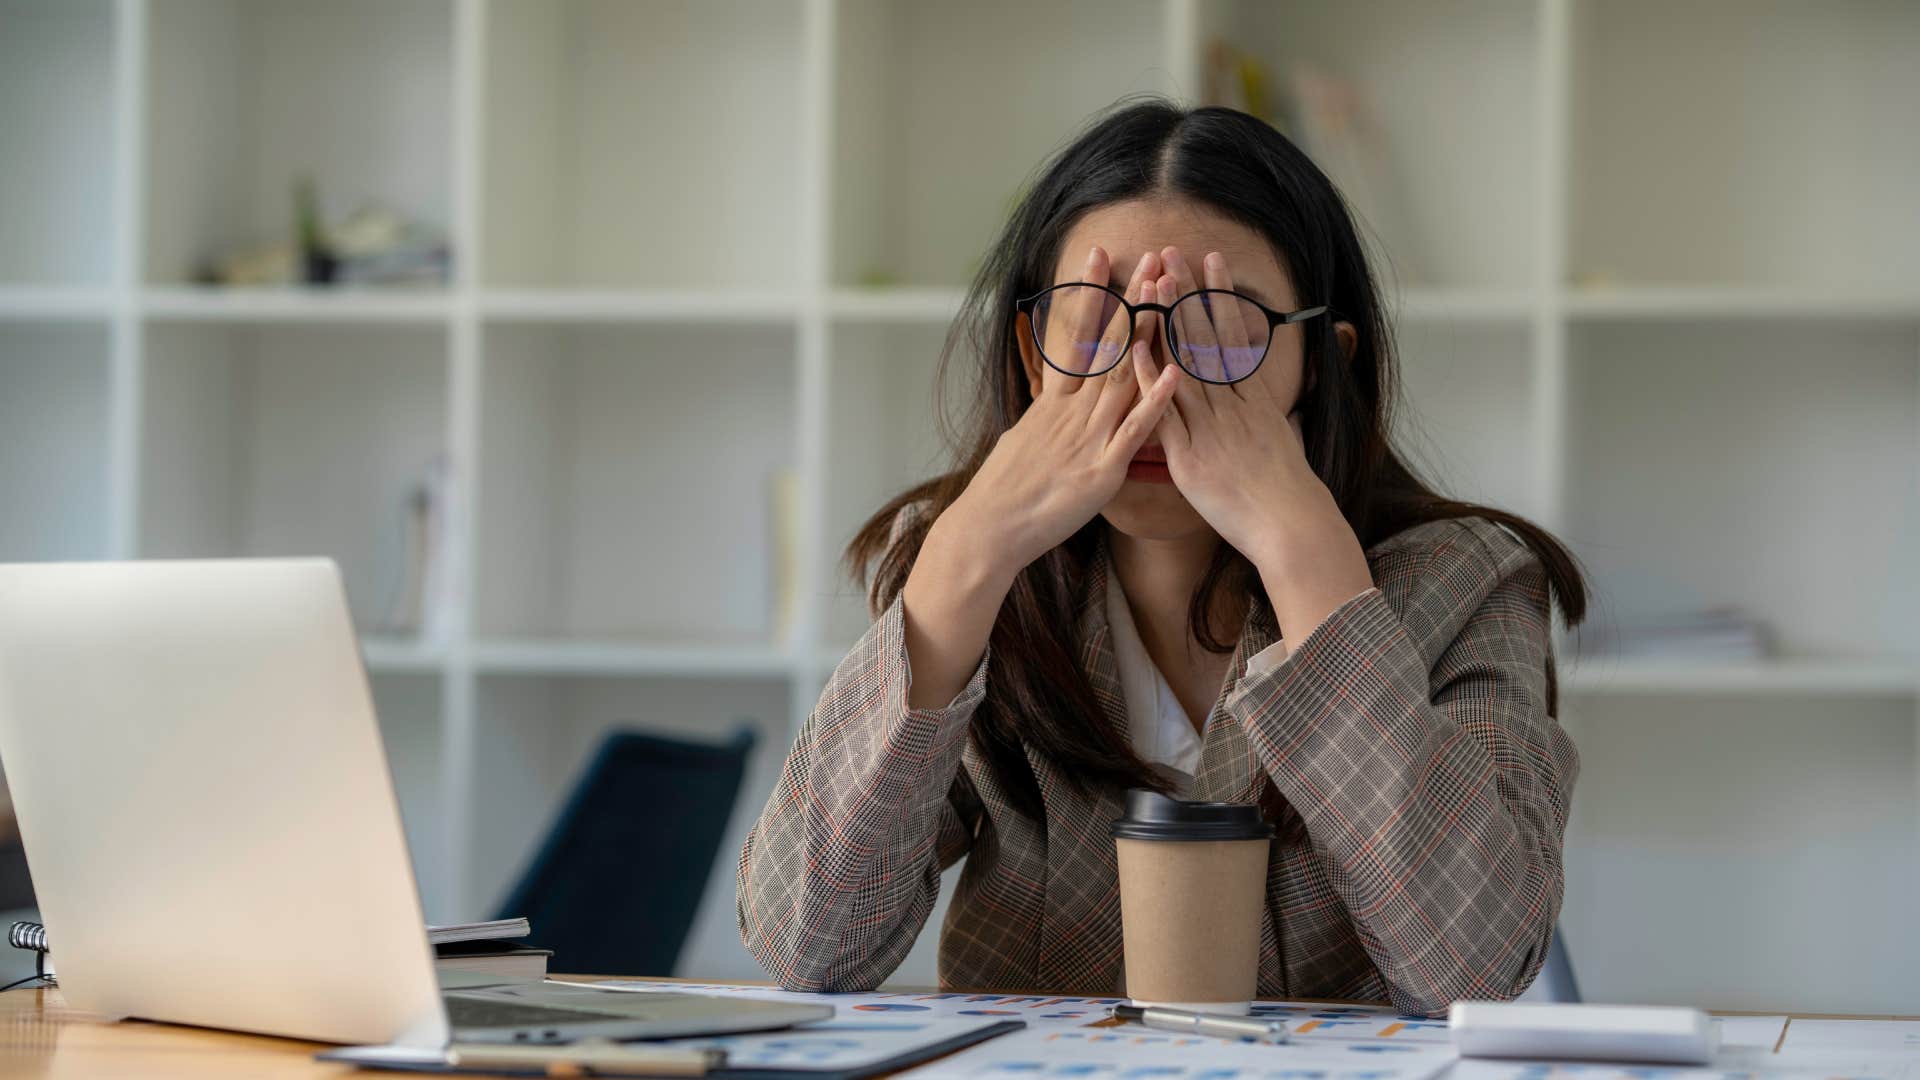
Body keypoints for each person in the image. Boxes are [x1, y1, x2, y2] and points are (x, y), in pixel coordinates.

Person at [736, 99, 1585, 1017]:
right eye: (1096, 320)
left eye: (1218, 326)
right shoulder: (969, 574)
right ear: (1031, 355)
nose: (1151, 379)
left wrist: (1309, 562)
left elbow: (1475, 969)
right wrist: (964, 559)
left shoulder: (1469, 581)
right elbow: (805, 947)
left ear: (1323, 364)